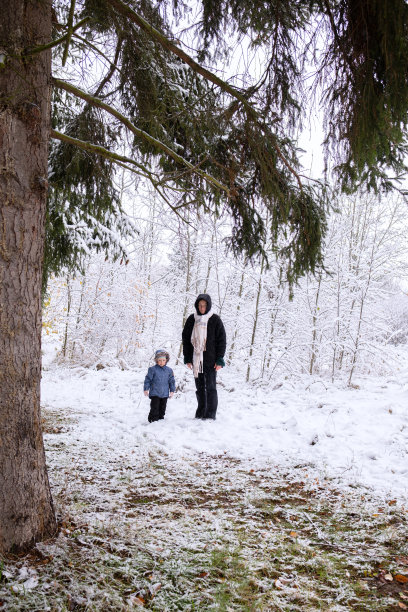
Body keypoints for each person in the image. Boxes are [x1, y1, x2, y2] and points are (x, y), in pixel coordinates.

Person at [182, 294, 226, 420]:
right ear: (197, 305)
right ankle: (201, 411)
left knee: (211, 387)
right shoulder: (192, 319)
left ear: (208, 305)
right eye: (200, 305)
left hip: (211, 360)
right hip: (196, 360)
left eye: (204, 305)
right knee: (199, 387)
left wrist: (219, 359)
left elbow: (221, 340)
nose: (202, 308)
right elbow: (186, 339)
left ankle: (210, 414)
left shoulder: (215, 319)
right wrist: (187, 358)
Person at [144, 349, 175, 423]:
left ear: (166, 360)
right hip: (155, 393)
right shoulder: (152, 369)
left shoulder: (169, 370)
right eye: (160, 360)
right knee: (155, 407)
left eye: (163, 360)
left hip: (164, 393)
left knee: (162, 408)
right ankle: (153, 420)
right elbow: (148, 379)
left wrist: (172, 391)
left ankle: (161, 421)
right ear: (156, 360)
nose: (161, 362)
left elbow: (171, 381)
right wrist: (146, 389)